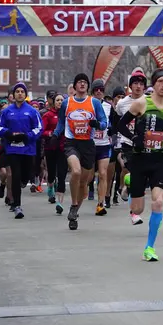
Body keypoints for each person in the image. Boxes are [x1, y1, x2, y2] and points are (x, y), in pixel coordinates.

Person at [117, 69, 163, 261]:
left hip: (160, 160)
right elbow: (120, 125)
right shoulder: (141, 103)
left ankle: (149, 247)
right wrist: (133, 137)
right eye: (160, 81)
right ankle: (128, 180)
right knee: (137, 210)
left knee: (158, 202)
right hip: (139, 159)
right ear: (153, 84)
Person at [53, 73, 108, 230]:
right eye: (80, 82)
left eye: (85, 82)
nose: (82, 84)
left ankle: (75, 211)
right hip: (71, 143)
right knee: (75, 172)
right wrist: (55, 135)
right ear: (75, 86)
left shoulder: (94, 103)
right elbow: (61, 123)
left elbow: (105, 123)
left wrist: (97, 124)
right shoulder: (66, 103)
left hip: (88, 145)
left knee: (84, 183)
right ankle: (73, 204)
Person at [0, 83, 43, 219]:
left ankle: (24, 181)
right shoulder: (7, 111)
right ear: (13, 95)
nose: (20, 93)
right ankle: (17, 205)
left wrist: (27, 136)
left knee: (26, 175)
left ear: (25, 94)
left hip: (28, 149)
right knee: (15, 175)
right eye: (17, 91)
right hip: (12, 149)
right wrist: (8, 134)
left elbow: (39, 128)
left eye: (22, 91)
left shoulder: (32, 111)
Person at [115, 68, 146, 204]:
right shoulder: (122, 103)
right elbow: (118, 121)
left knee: (140, 171)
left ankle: (127, 187)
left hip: (144, 142)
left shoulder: (149, 101)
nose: (138, 87)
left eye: (141, 84)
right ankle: (125, 186)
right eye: (135, 84)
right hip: (127, 140)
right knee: (129, 167)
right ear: (130, 86)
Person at [42, 93, 67, 214]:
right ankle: (50, 185)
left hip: (64, 148)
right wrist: (50, 134)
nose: (60, 102)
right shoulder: (48, 115)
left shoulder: (68, 115)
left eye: (62, 100)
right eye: (57, 100)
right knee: (52, 173)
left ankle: (59, 202)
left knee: (62, 175)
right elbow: (42, 131)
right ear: (53, 102)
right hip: (50, 147)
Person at [90, 79, 112, 215]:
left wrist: (111, 130)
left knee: (103, 174)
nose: (99, 92)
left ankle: (100, 204)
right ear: (92, 91)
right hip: (89, 145)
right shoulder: (88, 104)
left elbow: (115, 123)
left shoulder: (109, 107)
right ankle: (79, 199)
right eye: (96, 89)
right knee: (88, 177)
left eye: (101, 89)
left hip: (104, 144)